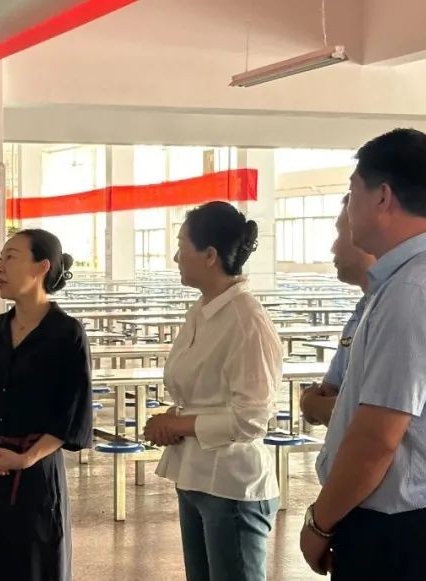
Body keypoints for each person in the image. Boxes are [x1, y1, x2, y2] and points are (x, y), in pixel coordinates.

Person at [299, 129, 426, 580]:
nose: (349, 210)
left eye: (353, 193)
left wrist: (319, 523)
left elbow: (377, 439)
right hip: (410, 529)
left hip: (403, 536)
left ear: (383, 197)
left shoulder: (414, 290)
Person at [143, 201, 282, 581]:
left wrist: (178, 424)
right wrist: (172, 419)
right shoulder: (203, 311)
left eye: (181, 245)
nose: (176, 257)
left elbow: (252, 419)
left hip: (231, 486)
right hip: (195, 477)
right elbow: (202, 394)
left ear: (209, 255)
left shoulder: (246, 320)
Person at [0, 228, 93, 581]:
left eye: (10, 257)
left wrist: (25, 458)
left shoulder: (66, 333)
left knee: (34, 564)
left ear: (41, 267)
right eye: (0, 258)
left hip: (36, 474)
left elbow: (73, 414)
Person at [300, 195, 376, 427]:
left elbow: (368, 418)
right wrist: (320, 405)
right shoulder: (361, 311)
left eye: (341, 234)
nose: (333, 247)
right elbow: (330, 389)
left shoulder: (398, 310)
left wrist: (313, 404)